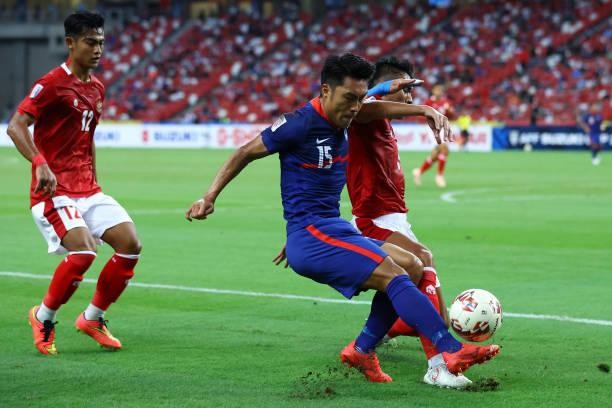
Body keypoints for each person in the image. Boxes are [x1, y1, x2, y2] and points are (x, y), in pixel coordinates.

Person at [186, 53, 474, 388]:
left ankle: (363, 349)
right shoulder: (300, 123)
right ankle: (448, 352)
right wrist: (209, 197)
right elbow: (245, 151)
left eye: (357, 99)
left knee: (410, 266)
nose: (354, 107)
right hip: (315, 232)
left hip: (327, 228)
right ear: (325, 91)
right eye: (349, 99)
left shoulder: (344, 122)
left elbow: (365, 105)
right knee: (402, 271)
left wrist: (383, 88)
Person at [347, 56, 500, 387]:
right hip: (373, 221)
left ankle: (380, 334)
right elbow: (366, 107)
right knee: (423, 261)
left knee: (437, 313)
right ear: (388, 87)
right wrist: (424, 110)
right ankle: (437, 366)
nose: (410, 97)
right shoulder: (364, 114)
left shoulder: (381, 122)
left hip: (394, 219)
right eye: (405, 89)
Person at [6, 11, 142, 355]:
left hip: (88, 189)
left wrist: (95, 179)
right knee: (84, 251)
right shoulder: (51, 84)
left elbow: (87, 137)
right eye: (90, 42)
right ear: (71, 43)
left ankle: (93, 318)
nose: (98, 49)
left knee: (130, 244)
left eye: (101, 42)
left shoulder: (97, 87)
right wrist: (40, 164)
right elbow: (16, 125)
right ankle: (43, 316)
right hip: (53, 192)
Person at [412, 83, 455, 188]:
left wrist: (450, 111)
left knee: (437, 155)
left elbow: (452, 116)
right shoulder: (429, 102)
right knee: (444, 149)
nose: (439, 92)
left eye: (440, 90)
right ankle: (439, 176)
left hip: (443, 128)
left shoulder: (446, 103)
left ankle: (419, 171)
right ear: (433, 91)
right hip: (433, 128)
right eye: (437, 90)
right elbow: (422, 114)